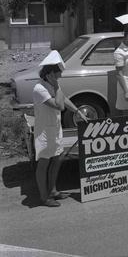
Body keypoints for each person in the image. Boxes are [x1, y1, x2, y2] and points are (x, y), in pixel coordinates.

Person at [33, 51, 88, 207]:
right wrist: (57, 86)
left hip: (55, 129)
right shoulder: (39, 88)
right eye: (59, 73)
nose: (61, 76)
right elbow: (60, 105)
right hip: (44, 131)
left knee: (58, 157)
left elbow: (64, 98)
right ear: (50, 73)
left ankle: (53, 190)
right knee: (43, 163)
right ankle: (44, 197)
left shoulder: (52, 84)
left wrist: (77, 111)